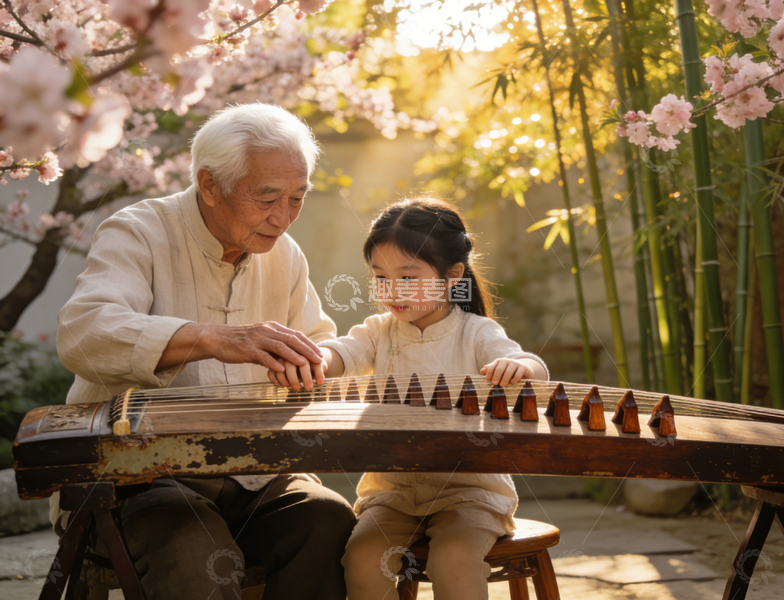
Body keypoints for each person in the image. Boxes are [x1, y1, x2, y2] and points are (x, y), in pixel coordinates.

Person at [55, 104, 355, 600]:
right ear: (210, 185)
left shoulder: (283, 254)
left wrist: (312, 363)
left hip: (253, 475)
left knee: (328, 521)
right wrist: (212, 338)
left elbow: (317, 342)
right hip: (138, 476)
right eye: (268, 199)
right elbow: (85, 331)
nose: (282, 218)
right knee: (194, 547)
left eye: (297, 199)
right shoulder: (139, 231)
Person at [270, 197, 549, 600]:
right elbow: (341, 353)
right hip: (393, 492)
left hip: (470, 492)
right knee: (363, 558)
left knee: (453, 559)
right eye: (380, 277)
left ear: (452, 276)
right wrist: (312, 360)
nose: (391, 291)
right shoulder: (378, 332)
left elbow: (525, 362)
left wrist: (522, 369)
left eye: (407, 277)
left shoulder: (476, 332)